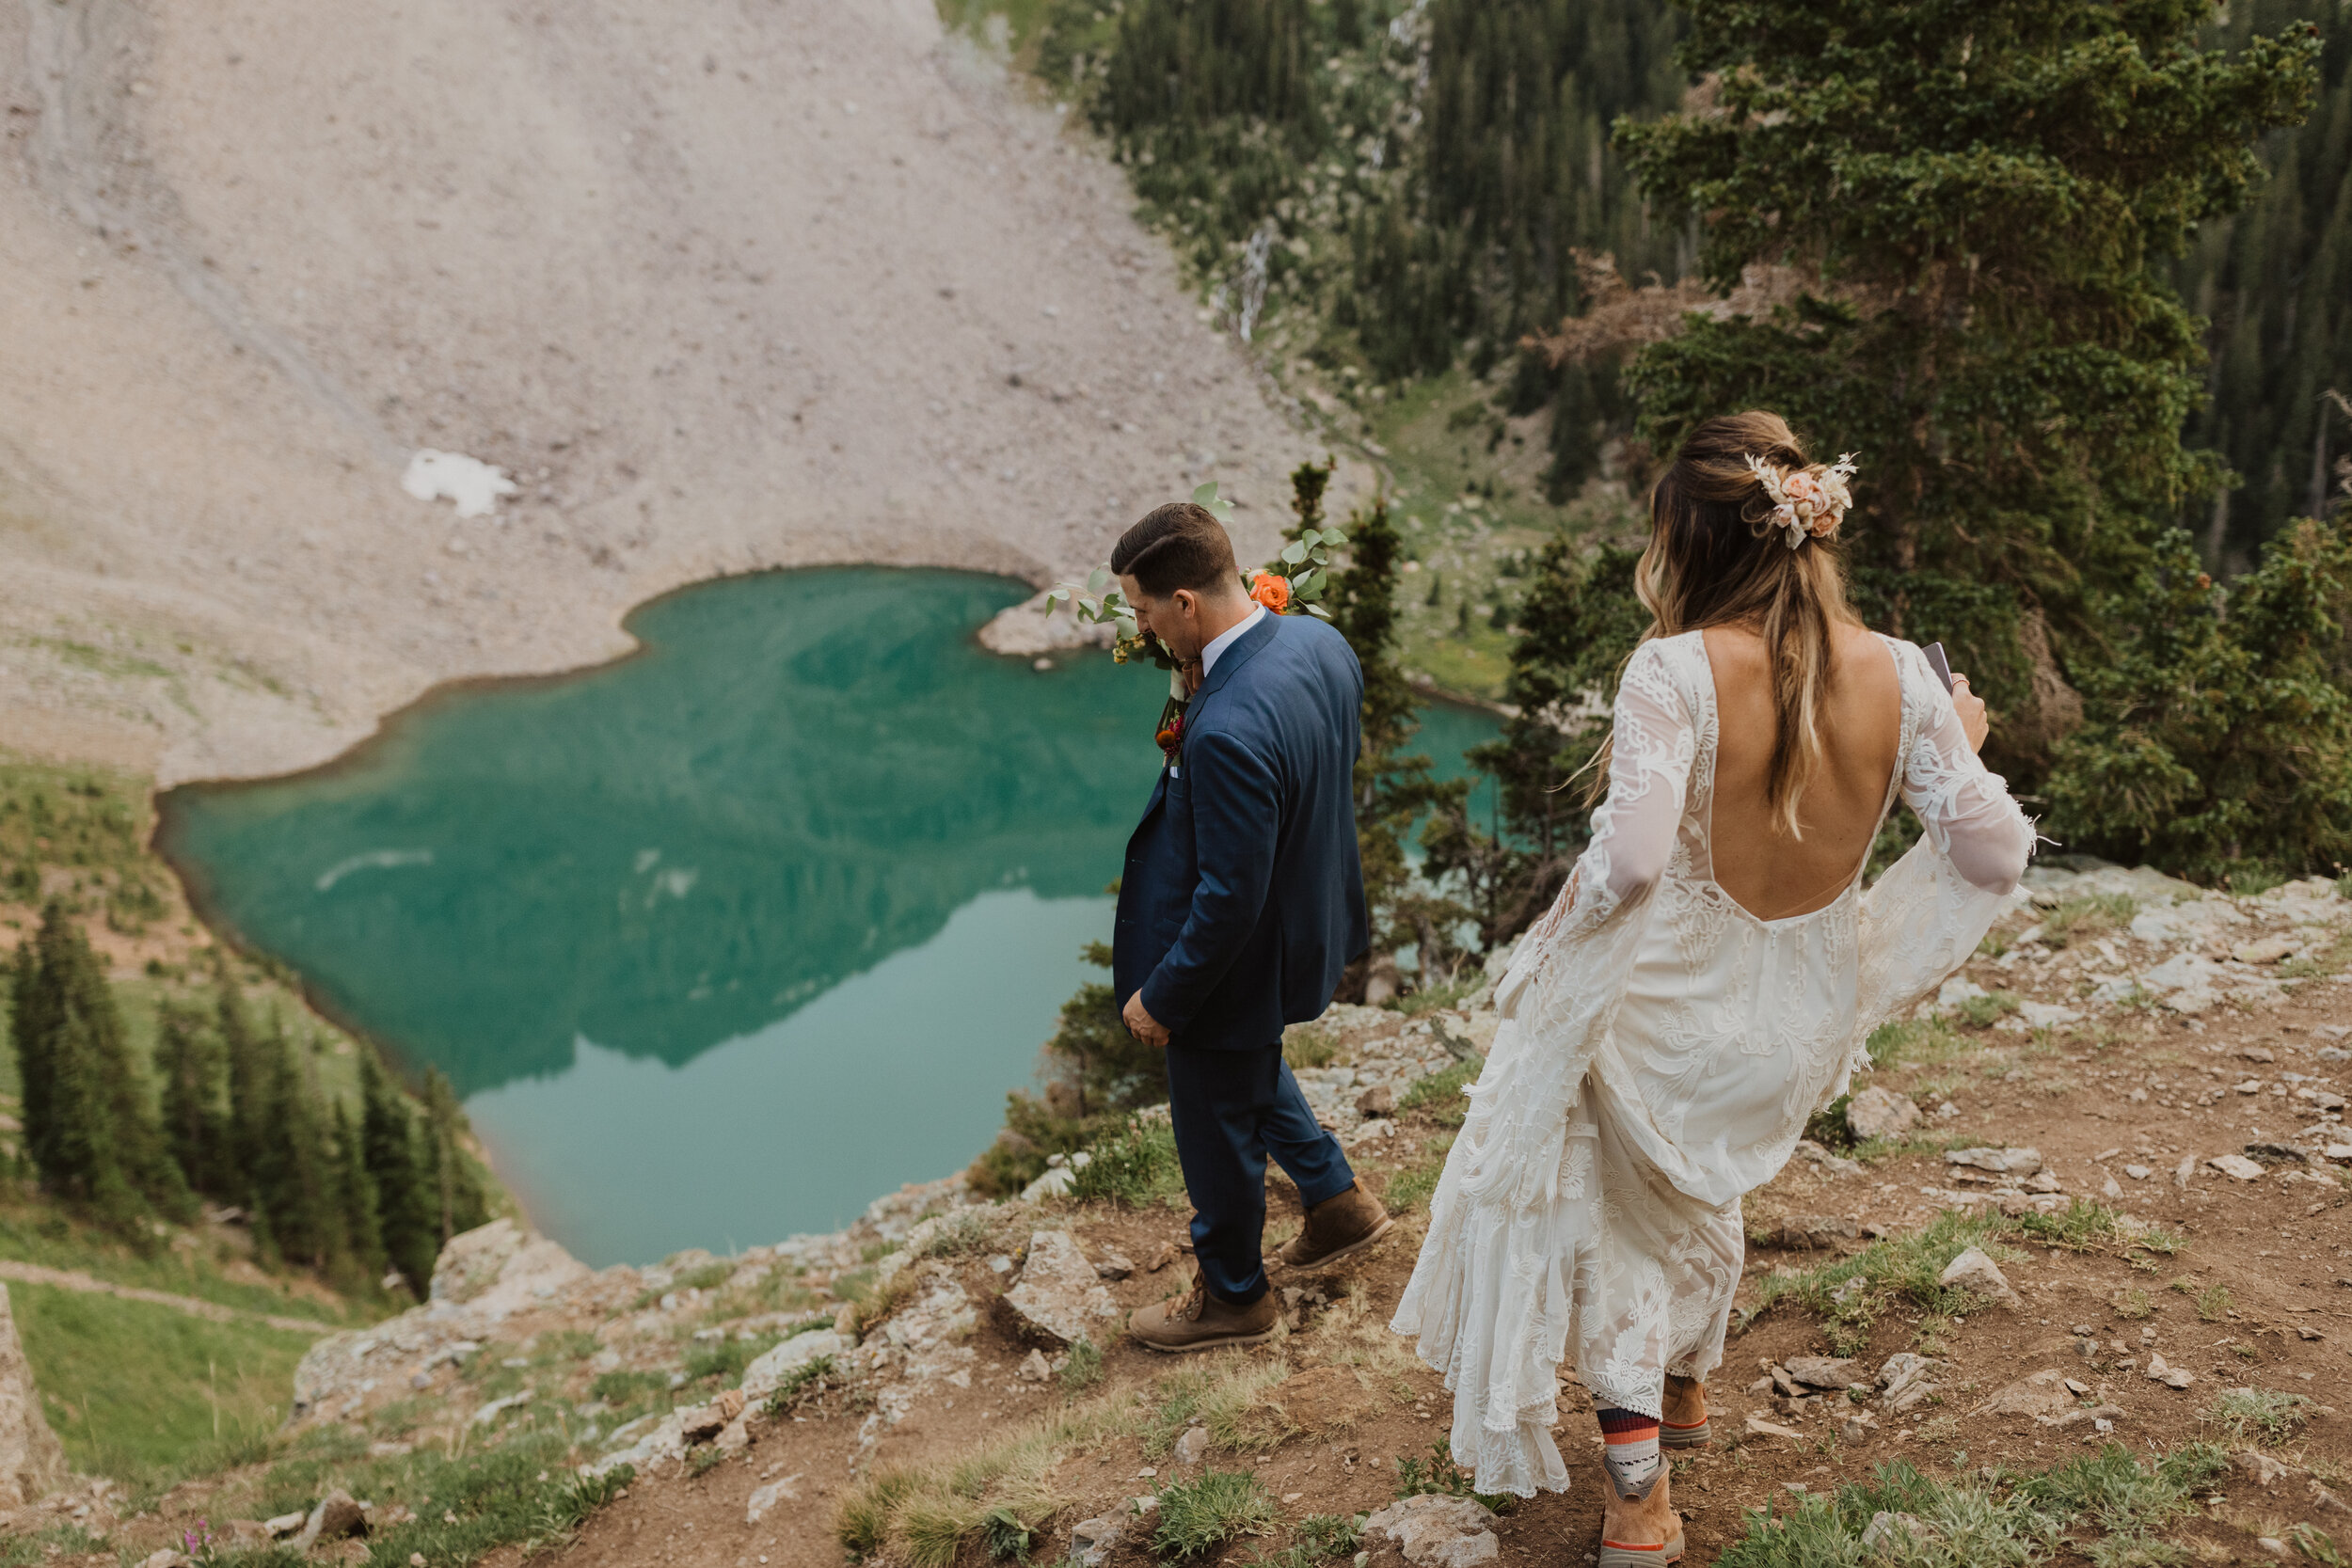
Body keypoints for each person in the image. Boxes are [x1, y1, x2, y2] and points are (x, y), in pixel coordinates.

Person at [1391, 411, 2035, 1565]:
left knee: (1612, 1223)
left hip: (1663, 1016)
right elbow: (1994, 854)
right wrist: (1959, 751)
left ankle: (1638, 1499)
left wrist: (1554, 938)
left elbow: (1633, 863)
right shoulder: (1899, 675)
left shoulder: (1672, 671)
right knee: (1693, 1195)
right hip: (1792, 1024)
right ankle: (1681, 1389)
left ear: (1687, 538)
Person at [1107, 499, 1397, 1352]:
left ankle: (1236, 1294)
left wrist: (1164, 996)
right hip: (1312, 916)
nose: (1142, 627)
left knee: (1210, 1112)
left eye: (1143, 610)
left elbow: (1229, 895)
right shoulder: (1317, 641)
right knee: (1246, 1065)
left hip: (1237, 955)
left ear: (1185, 604)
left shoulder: (1226, 727)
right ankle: (1335, 1197)